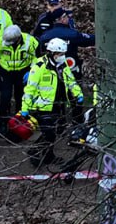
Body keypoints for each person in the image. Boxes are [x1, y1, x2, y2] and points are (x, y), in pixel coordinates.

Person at [20, 39, 84, 168]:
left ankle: (46, 155)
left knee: (55, 131)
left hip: (58, 104)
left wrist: (78, 94)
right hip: (44, 106)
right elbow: (30, 88)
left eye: (63, 54)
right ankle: (37, 154)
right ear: (52, 53)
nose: (62, 56)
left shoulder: (62, 65)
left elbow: (70, 80)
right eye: (60, 54)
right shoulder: (39, 66)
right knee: (48, 133)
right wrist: (25, 107)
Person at [0, 24, 39, 128]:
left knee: (20, 96)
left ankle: (20, 120)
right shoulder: (2, 41)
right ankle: (3, 121)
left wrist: (32, 70)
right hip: (6, 71)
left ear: (18, 38)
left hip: (22, 71)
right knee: (5, 96)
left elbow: (35, 57)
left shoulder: (30, 41)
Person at [36, 9, 96, 77]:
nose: (68, 18)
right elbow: (91, 40)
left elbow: (38, 53)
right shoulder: (72, 34)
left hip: (49, 74)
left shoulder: (44, 36)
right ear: (62, 19)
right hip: (71, 72)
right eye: (66, 16)